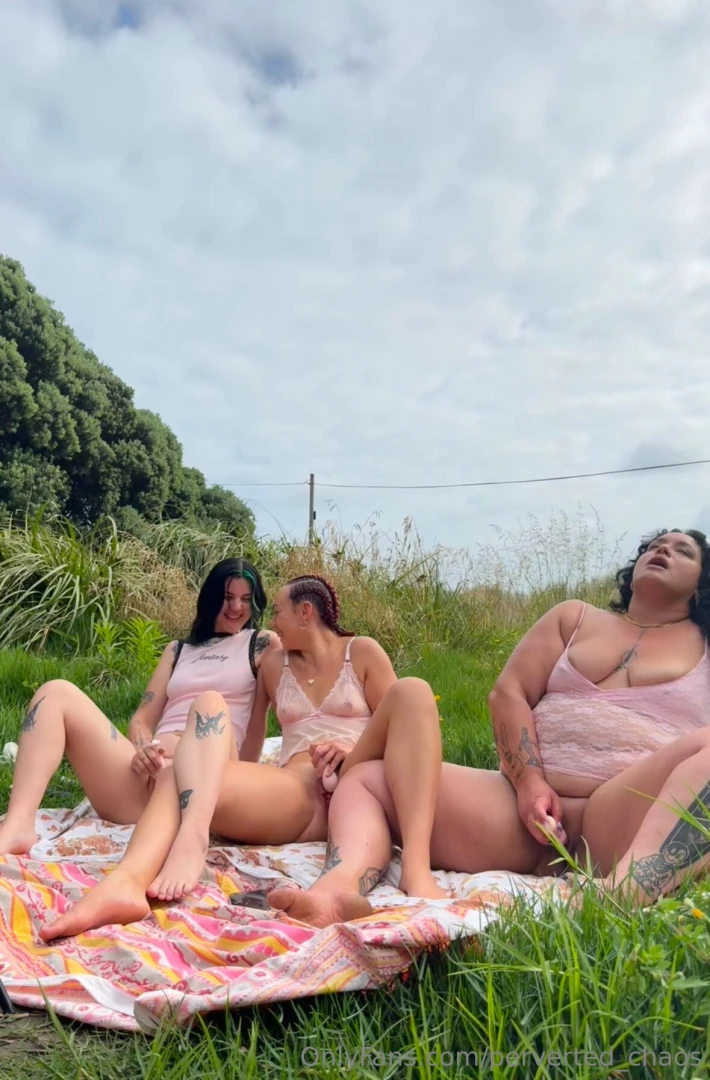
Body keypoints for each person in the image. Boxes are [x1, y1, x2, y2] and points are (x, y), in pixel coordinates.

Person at [273, 529, 710, 925]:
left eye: (682, 550)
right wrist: (530, 784)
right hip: (517, 815)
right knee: (369, 778)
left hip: (624, 816)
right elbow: (509, 694)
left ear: (702, 581)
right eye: (654, 545)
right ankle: (336, 890)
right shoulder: (574, 618)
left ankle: (616, 898)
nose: (662, 550)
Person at [39, 574, 445, 941]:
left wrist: (351, 752)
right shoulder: (273, 663)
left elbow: (401, 726)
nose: (271, 621)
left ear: (306, 613)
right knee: (182, 779)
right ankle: (126, 883)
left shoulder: (363, 652)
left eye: (279, 611)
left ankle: (377, 881)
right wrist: (228, 776)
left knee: (410, 693)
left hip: (357, 777)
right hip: (297, 787)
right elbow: (252, 739)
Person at [0, 558, 278, 857]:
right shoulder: (178, 650)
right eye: (228, 597)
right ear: (210, 598)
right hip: (149, 780)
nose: (237, 607)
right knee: (54, 693)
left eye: (246, 599)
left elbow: (262, 721)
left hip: (207, 780)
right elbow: (142, 720)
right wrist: (144, 749)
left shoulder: (260, 644)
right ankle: (19, 823)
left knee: (210, 703)